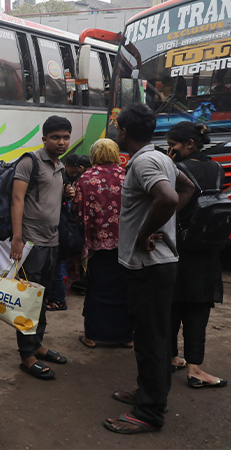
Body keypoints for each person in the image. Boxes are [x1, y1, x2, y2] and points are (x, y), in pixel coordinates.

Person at [104, 104, 195, 434]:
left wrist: (144, 232)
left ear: (123, 133)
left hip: (150, 266)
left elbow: (170, 198)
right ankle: (147, 392)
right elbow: (187, 189)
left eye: (118, 128)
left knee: (152, 339)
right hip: (154, 265)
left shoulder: (144, 162)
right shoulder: (162, 158)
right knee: (147, 335)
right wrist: (157, 223)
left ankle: (150, 412)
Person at [10, 116, 74, 380]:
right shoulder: (30, 162)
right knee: (28, 300)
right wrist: (17, 238)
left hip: (53, 241)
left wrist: (65, 195)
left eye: (65, 137)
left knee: (43, 298)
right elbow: (17, 199)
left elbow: (47, 199)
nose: (61, 142)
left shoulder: (59, 166)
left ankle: (37, 344)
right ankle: (26, 355)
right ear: (44, 138)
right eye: (56, 137)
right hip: (31, 243)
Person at [166, 122, 227, 389]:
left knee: (172, 307)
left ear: (189, 144)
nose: (170, 150)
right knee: (197, 311)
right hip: (207, 247)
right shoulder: (216, 167)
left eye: (173, 145)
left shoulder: (176, 169)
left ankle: (170, 357)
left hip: (178, 246)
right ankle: (195, 368)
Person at [73, 139, 131, 348]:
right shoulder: (126, 176)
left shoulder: (85, 178)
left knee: (97, 287)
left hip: (96, 245)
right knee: (124, 288)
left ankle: (92, 336)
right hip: (126, 244)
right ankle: (125, 337)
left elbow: (78, 212)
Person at [46, 153, 92, 312]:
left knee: (58, 265)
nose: (75, 174)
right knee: (60, 264)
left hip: (65, 230)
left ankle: (58, 299)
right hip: (66, 229)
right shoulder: (64, 178)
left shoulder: (77, 180)